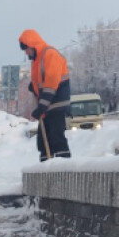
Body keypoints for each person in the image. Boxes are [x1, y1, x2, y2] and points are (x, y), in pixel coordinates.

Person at [18, 29, 71, 161]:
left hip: (56, 103)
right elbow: (41, 82)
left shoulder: (49, 54)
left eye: (27, 49)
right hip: (48, 104)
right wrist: (34, 88)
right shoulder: (36, 60)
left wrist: (41, 106)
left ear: (33, 45)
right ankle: (46, 168)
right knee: (43, 141)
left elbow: (51, 84)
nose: (26, 52)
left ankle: (62, 169)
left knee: (56, 137)